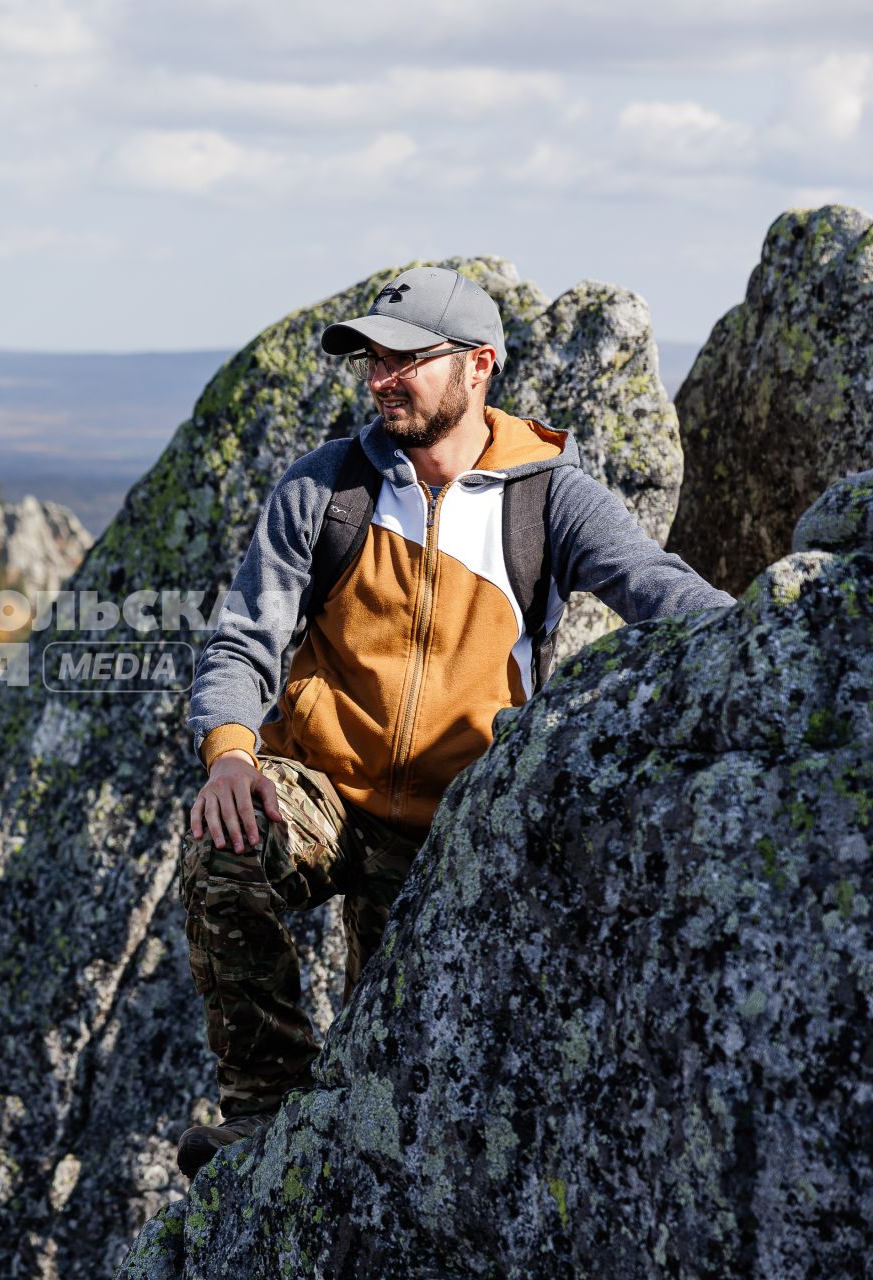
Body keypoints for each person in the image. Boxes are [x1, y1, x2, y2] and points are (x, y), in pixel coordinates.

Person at [175, 265, 733, 1178]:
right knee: (223, 844)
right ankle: (264, 1111)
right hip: (325, 796)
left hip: (453, 836)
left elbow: (656, 588)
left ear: (480, 365)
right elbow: (243, 644)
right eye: (371, 360)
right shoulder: (327, 491)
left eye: (405, 359)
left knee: (398, 1096)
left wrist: (774, 634)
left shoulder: (548, 498)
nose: (380, 378)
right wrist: (231, 756)